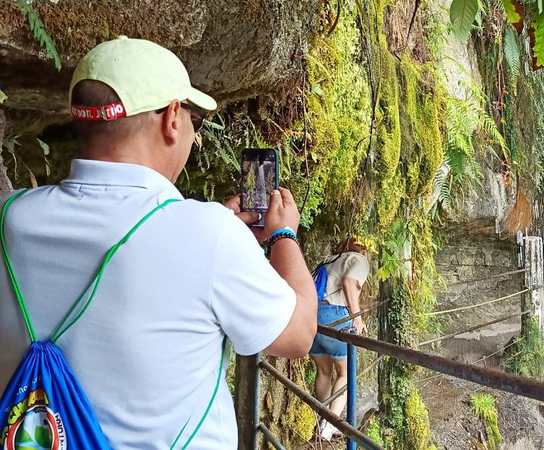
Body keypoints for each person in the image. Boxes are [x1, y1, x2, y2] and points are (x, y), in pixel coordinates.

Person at [0, 36, 318, 449]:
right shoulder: (208, 237)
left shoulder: (9, 217)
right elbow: (299, 334)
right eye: (192, 119)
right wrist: (283, 235)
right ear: (171, 118)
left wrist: (205, 230)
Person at [309, 237, 370, 440]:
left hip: (312, 317)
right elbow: (349, 283)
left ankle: (323, 419)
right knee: (345, 373)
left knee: (324, 370)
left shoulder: (328, 260)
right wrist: (356, 318)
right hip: (335, 316)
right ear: (363, 250)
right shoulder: (358, 260)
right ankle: (328, 428)